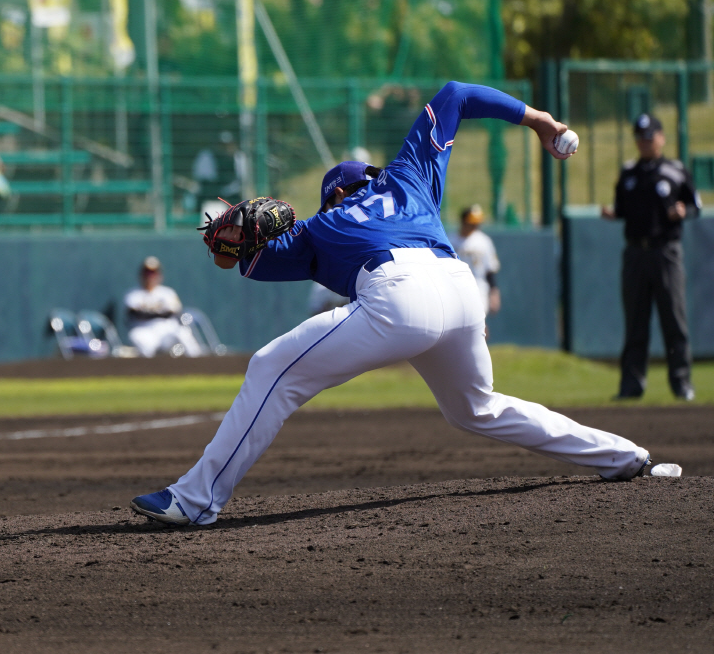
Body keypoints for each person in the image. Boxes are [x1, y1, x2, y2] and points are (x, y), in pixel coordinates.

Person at [130, 81, 679, 528]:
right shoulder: (409, 176)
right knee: (477, 408)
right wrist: (539, 120)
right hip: (460, 291)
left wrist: (231, 240)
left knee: (271, 367)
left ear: (335, 195)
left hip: (398, 296)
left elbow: (243, 263)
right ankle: (624, 456)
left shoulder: (320, 227)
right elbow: (458, 93)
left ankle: (196, 500)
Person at [600, 113, 700, 401]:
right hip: (634, 252)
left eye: (649, 136)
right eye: (640, 137)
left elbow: (695, 206)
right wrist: (613, 214)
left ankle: (682, 384)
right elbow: (622, 208)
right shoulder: (629, 172)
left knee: (674, 320)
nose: (644, 142)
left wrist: (684, 212)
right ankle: (631, 386)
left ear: (661, 138)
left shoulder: (676, 170)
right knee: (635, 321)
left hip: (665, 251)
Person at [123, 256, 203, 358]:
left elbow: (174, 312)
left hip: (166, 329)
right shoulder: (133, 294)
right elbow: (135, 314)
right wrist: (160, 313)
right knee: (139, 340)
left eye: (153, 273)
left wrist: (150, 312)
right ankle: (149, 371)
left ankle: (198, 363)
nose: (150, 276)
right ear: (141, 274)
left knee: (183, 332)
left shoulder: (167, 293)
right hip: (144, 329)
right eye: (147, 272)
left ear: (159, 275)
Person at [450, 204, 501, 319]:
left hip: (479, 287)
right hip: (455, 287)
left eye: (477, 222)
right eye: (472, 222)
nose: (475, 225)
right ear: (463, 221)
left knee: (477, 321)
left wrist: (494, 292)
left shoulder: (483, 241)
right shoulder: (450, 240)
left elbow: (490, 269)